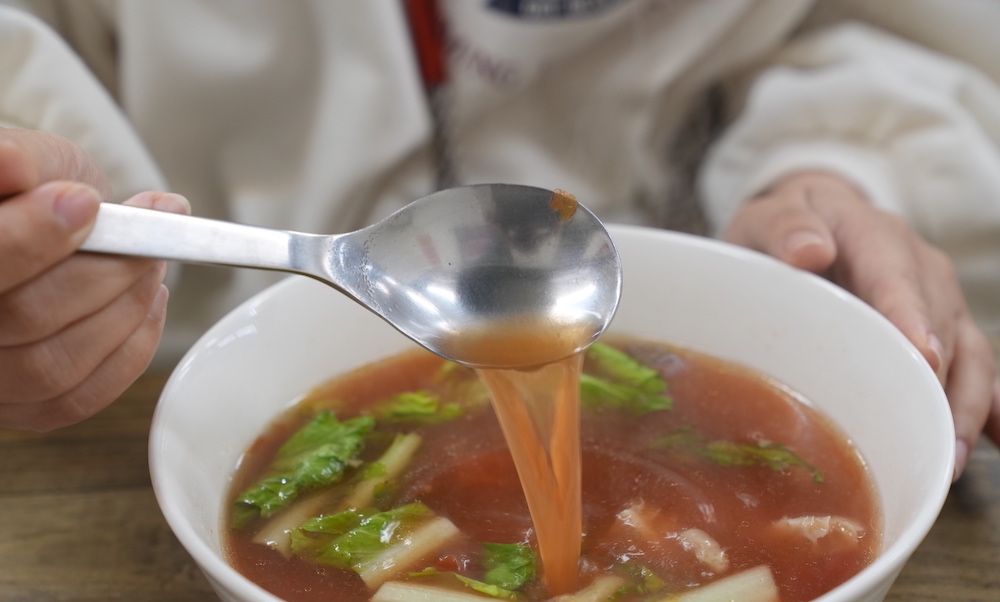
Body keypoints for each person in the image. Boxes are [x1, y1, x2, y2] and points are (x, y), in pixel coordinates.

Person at [1, 0, 998, 479]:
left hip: (697, 252)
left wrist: (834, 171)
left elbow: (882, 21)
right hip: (154, 394)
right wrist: (41, 220)